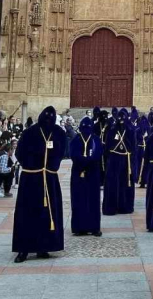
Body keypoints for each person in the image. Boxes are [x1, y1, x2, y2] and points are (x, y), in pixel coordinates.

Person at [12, 106, 66, 263]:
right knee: (26, 213)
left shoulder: (59, 133)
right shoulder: (30, 132)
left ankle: (44, 246)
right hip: (31, 178)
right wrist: (31, 166)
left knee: (47, 213)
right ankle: (23, 249)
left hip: (49, 178)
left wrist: (52, 166)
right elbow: (19, 153)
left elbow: (61, 151)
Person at [71, 117, 103, 236]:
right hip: (78, 173)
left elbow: (98, 153)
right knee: (79, 199)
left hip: (93, 173)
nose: (86, 130)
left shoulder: (96, 139)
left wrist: (88, 160)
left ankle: (94, 227)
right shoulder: (76, 140)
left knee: (93, 200)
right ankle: (79, 227)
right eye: (84, 128)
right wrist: (84, 161)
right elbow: (73, 154)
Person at [102, 115, 135, 215]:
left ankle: (124, 206)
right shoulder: (112, 131)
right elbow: (107, 147)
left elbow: (133, 147)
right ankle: (111, 207)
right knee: (113, 183)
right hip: (114, 160)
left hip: (125, 160)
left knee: (124, 183)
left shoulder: (129, 131)